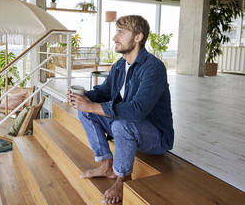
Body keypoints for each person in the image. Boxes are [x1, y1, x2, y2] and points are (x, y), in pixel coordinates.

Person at [67, 15, 174, 204]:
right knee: (86, 110)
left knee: (121, 123)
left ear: (138, 37)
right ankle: (106, 165)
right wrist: (85, 97)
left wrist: (92, 105)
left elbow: (137, 110)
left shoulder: (153, 68)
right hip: (129, 128)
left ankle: (123, 178)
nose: (115, 38)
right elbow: (105, 91)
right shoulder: (119, 66)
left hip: (155, 136)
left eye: (121, 33)